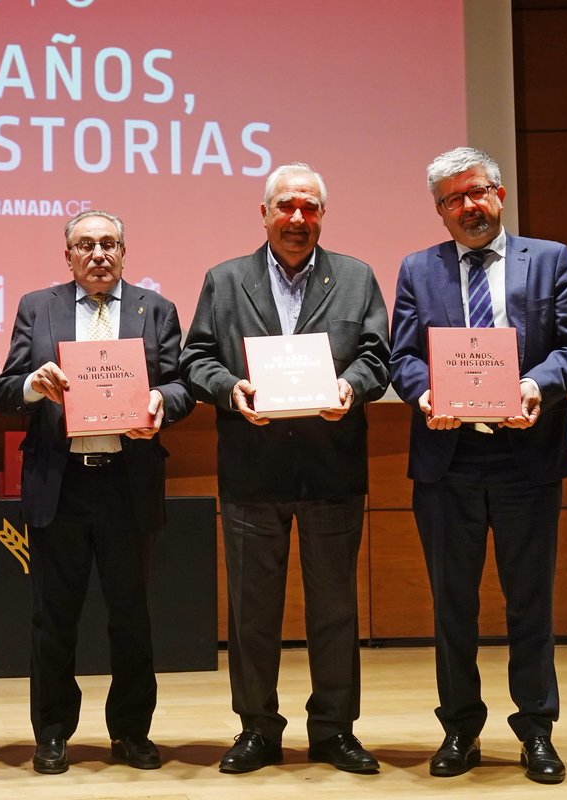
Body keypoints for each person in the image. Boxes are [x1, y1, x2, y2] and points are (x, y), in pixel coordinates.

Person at [389, 147, 567, 784]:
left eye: (477, 192)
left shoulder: (549, 258)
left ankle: (537, 729)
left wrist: (536, 385)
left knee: (529, 602)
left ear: (499, 194)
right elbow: (402, 357)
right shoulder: (417, 268)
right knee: (453, 606)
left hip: (525, 457)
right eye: (453, 199)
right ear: (439, 211)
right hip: (448, 461)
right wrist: (425, 394)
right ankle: (459, 727)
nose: (469, 206)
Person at [180, 163, 390, 774]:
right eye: (286, 207)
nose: (297, 219)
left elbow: (378, 355)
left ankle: (334, 730)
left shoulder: (355, 277)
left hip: (332, 471)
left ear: (322, 214)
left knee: (335, 609)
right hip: (252, 470)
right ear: (264, 213)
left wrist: (352, 386)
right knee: (251, 613)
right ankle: (257, 729)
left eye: (309, 208)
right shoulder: (225, 280)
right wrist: (228, 388)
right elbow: (196, 357)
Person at [0, 210, 194, 774]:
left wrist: (161, 404)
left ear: (125, 251)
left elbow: (180, 385)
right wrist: (33, 385)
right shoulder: (39, 306)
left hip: (127, 484)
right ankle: (52, 733)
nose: (98, 254)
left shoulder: (156, 310)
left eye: (109, 244)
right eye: (86, 245)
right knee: (54, 618)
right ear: (68, 255)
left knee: (131, 616)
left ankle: (131, 732)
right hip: (62, 483)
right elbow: (7, 386)